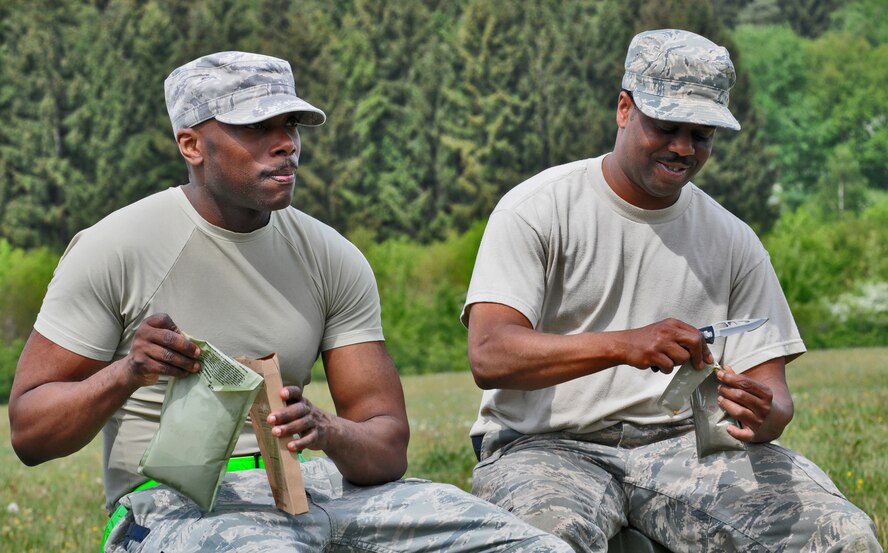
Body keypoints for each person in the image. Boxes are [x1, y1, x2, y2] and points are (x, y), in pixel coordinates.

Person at [8, 51, 572, 552]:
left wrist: (327, 430)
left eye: (291, 124)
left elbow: (387, 447)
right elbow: (30, 434)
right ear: (191, 143)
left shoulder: (332, 257)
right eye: (257, 127)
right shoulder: (114, 248)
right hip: (168, 508)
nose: (287, 144)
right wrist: (128, 372)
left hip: (314, 488)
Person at [461, 29, 881, 552]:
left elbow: (774, 399)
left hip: (686, 447)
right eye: (665, 127)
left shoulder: (732, 240)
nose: (683, 147)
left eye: (701, 135)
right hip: (544, 447)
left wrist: (762, 413)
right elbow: (490, 354)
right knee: (546, 542)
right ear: (623, 109)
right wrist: (624, 344)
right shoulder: (538, 209)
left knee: (842, 536)